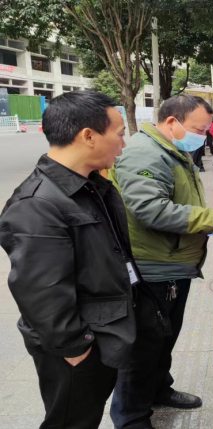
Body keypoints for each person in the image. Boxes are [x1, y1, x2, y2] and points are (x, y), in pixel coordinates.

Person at [109, 94, 213, 429]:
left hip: (173, 263)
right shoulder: (145, 152)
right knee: (143, 348)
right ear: (171, 121)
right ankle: (131, 417)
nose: (203, 136)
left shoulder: (170, 149)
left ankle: (159, 389)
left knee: (163, 338)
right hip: (152, 267)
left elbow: (181, 202)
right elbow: (150, 209)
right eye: (198, 129)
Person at [0, 91, 140, 429]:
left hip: (101, 328)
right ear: (88, 136)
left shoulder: (88, 184)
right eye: (119, 134)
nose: (124, 143)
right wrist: (76, 349)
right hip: (76, 347)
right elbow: (40, 291)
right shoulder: (37, 204)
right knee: (71, 420)